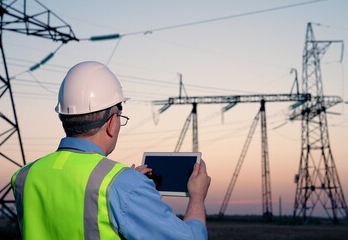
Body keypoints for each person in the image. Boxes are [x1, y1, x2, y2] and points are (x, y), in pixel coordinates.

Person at [11, 61, 211, 239]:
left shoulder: (24, 177)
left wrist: (126, 186)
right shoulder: (122, 186)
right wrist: (197, 198)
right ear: (112, 123)